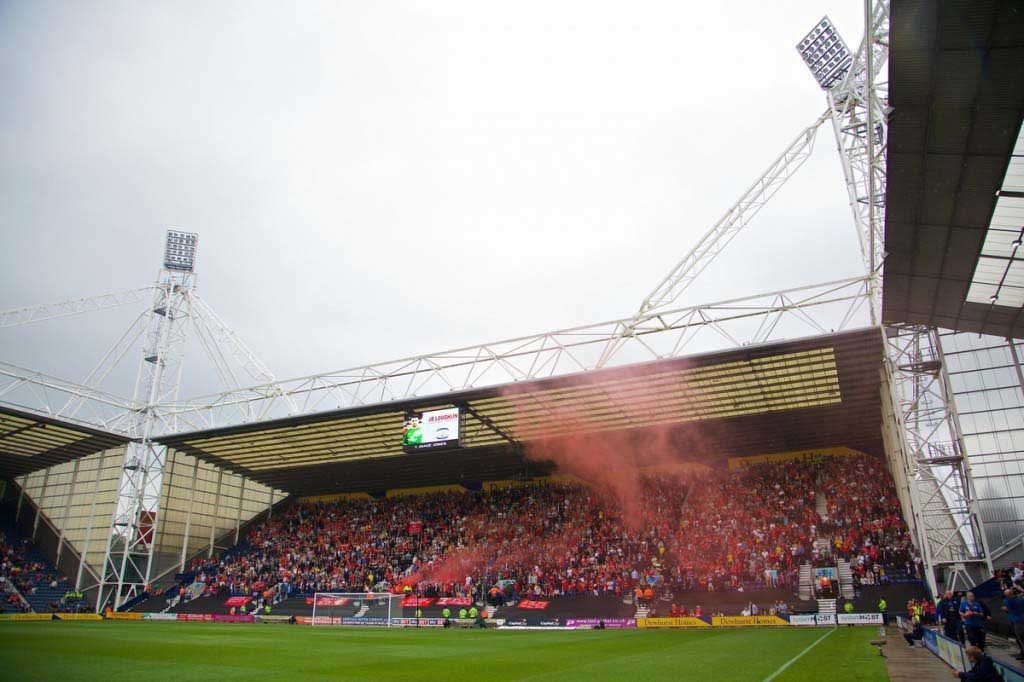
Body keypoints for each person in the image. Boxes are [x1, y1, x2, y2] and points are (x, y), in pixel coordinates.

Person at [1001, 587, 1024, 661]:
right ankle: (1022, 653)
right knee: (1019, 639)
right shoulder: (1020, 599)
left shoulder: (1007, 601)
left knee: (1020, 639)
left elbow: (1006, 607)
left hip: (1017, 622)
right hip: (1020, 619)